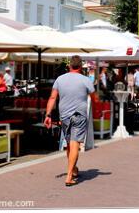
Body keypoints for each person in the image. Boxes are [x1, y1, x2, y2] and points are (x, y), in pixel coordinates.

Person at [44, 55, 96, 187]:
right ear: (81, 67)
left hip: (64, 116)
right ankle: (69, 176)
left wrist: (48, 115)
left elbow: (52, 98)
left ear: (69, 66)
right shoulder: (86, 80)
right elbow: (94, 97)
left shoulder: (59, 79)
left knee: (69, 144)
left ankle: (73, 169)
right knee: (75, 145)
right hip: (79, 115)